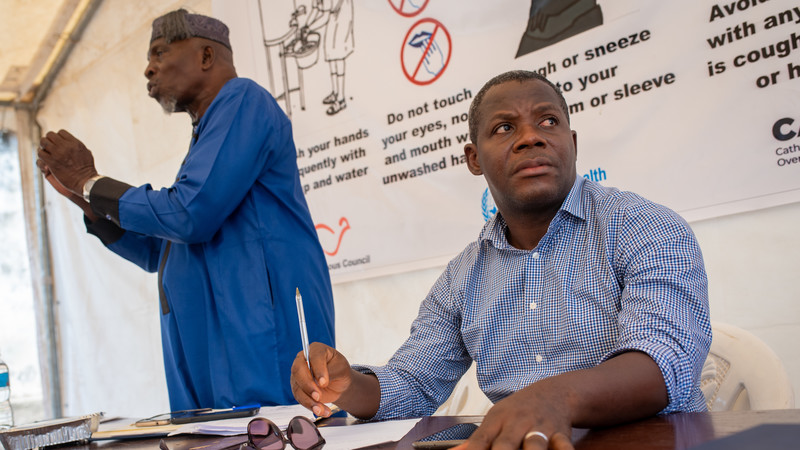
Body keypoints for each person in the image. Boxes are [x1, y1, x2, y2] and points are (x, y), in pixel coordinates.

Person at [290, 70, 711, 449]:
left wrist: (553, 396)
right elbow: (413, 385)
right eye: (505, 127)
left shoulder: (646, 227)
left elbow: (665, 361)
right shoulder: (463, 276)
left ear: (573, 143)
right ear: (474, 159)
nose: (532, 137)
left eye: (549, 121)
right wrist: (346, 387)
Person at [36, 9, 335, 411]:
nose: (147, 69)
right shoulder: (207, 137)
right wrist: (86, 201)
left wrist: (92, 181)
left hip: (257, 334)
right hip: (210, 345)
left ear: (206, 57)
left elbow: (188, 215)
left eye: (159, 53)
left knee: (274, 433)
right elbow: (160, 250)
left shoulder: (245, 102)